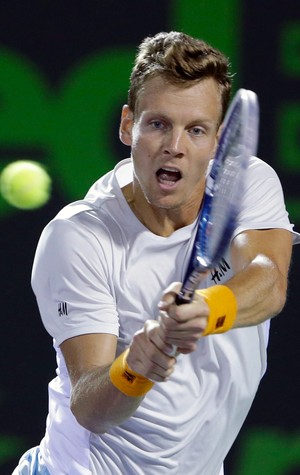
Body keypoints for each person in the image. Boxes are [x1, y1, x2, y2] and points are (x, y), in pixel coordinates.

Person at [13, 31, 299, 475]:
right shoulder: (78, 236)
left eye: (196, 130)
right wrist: (138, 365)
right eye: (159, 124)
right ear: (129, 124)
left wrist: (207, 309)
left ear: (219, 142)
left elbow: (270, 280)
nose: (175, 146)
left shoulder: (246, 182)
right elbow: (90, 408)